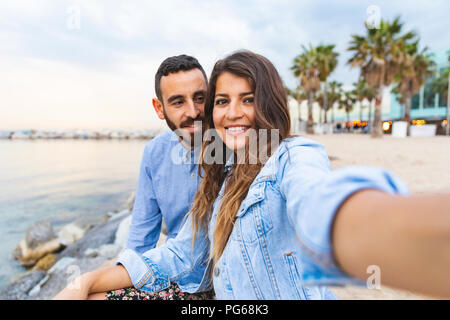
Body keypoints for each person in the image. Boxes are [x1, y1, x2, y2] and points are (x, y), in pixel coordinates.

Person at [54, 50, 450, 300]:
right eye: (223, 101)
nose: (231, 113)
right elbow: (175, 249)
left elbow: (317, 201)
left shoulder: (292, 157)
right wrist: (83, 281)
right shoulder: (223, 176)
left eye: (248, 99)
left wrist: (370, 230)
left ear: (269, 103)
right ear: (161, 109)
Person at [87, 54, 214, 300]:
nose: (193, 111)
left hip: (223, 282)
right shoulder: (154, 153)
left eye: (200, 98)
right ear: (159, 108)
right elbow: (140, 240)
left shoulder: (232, 148)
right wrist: (89, 283)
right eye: (178, 102)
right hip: (175, 275)